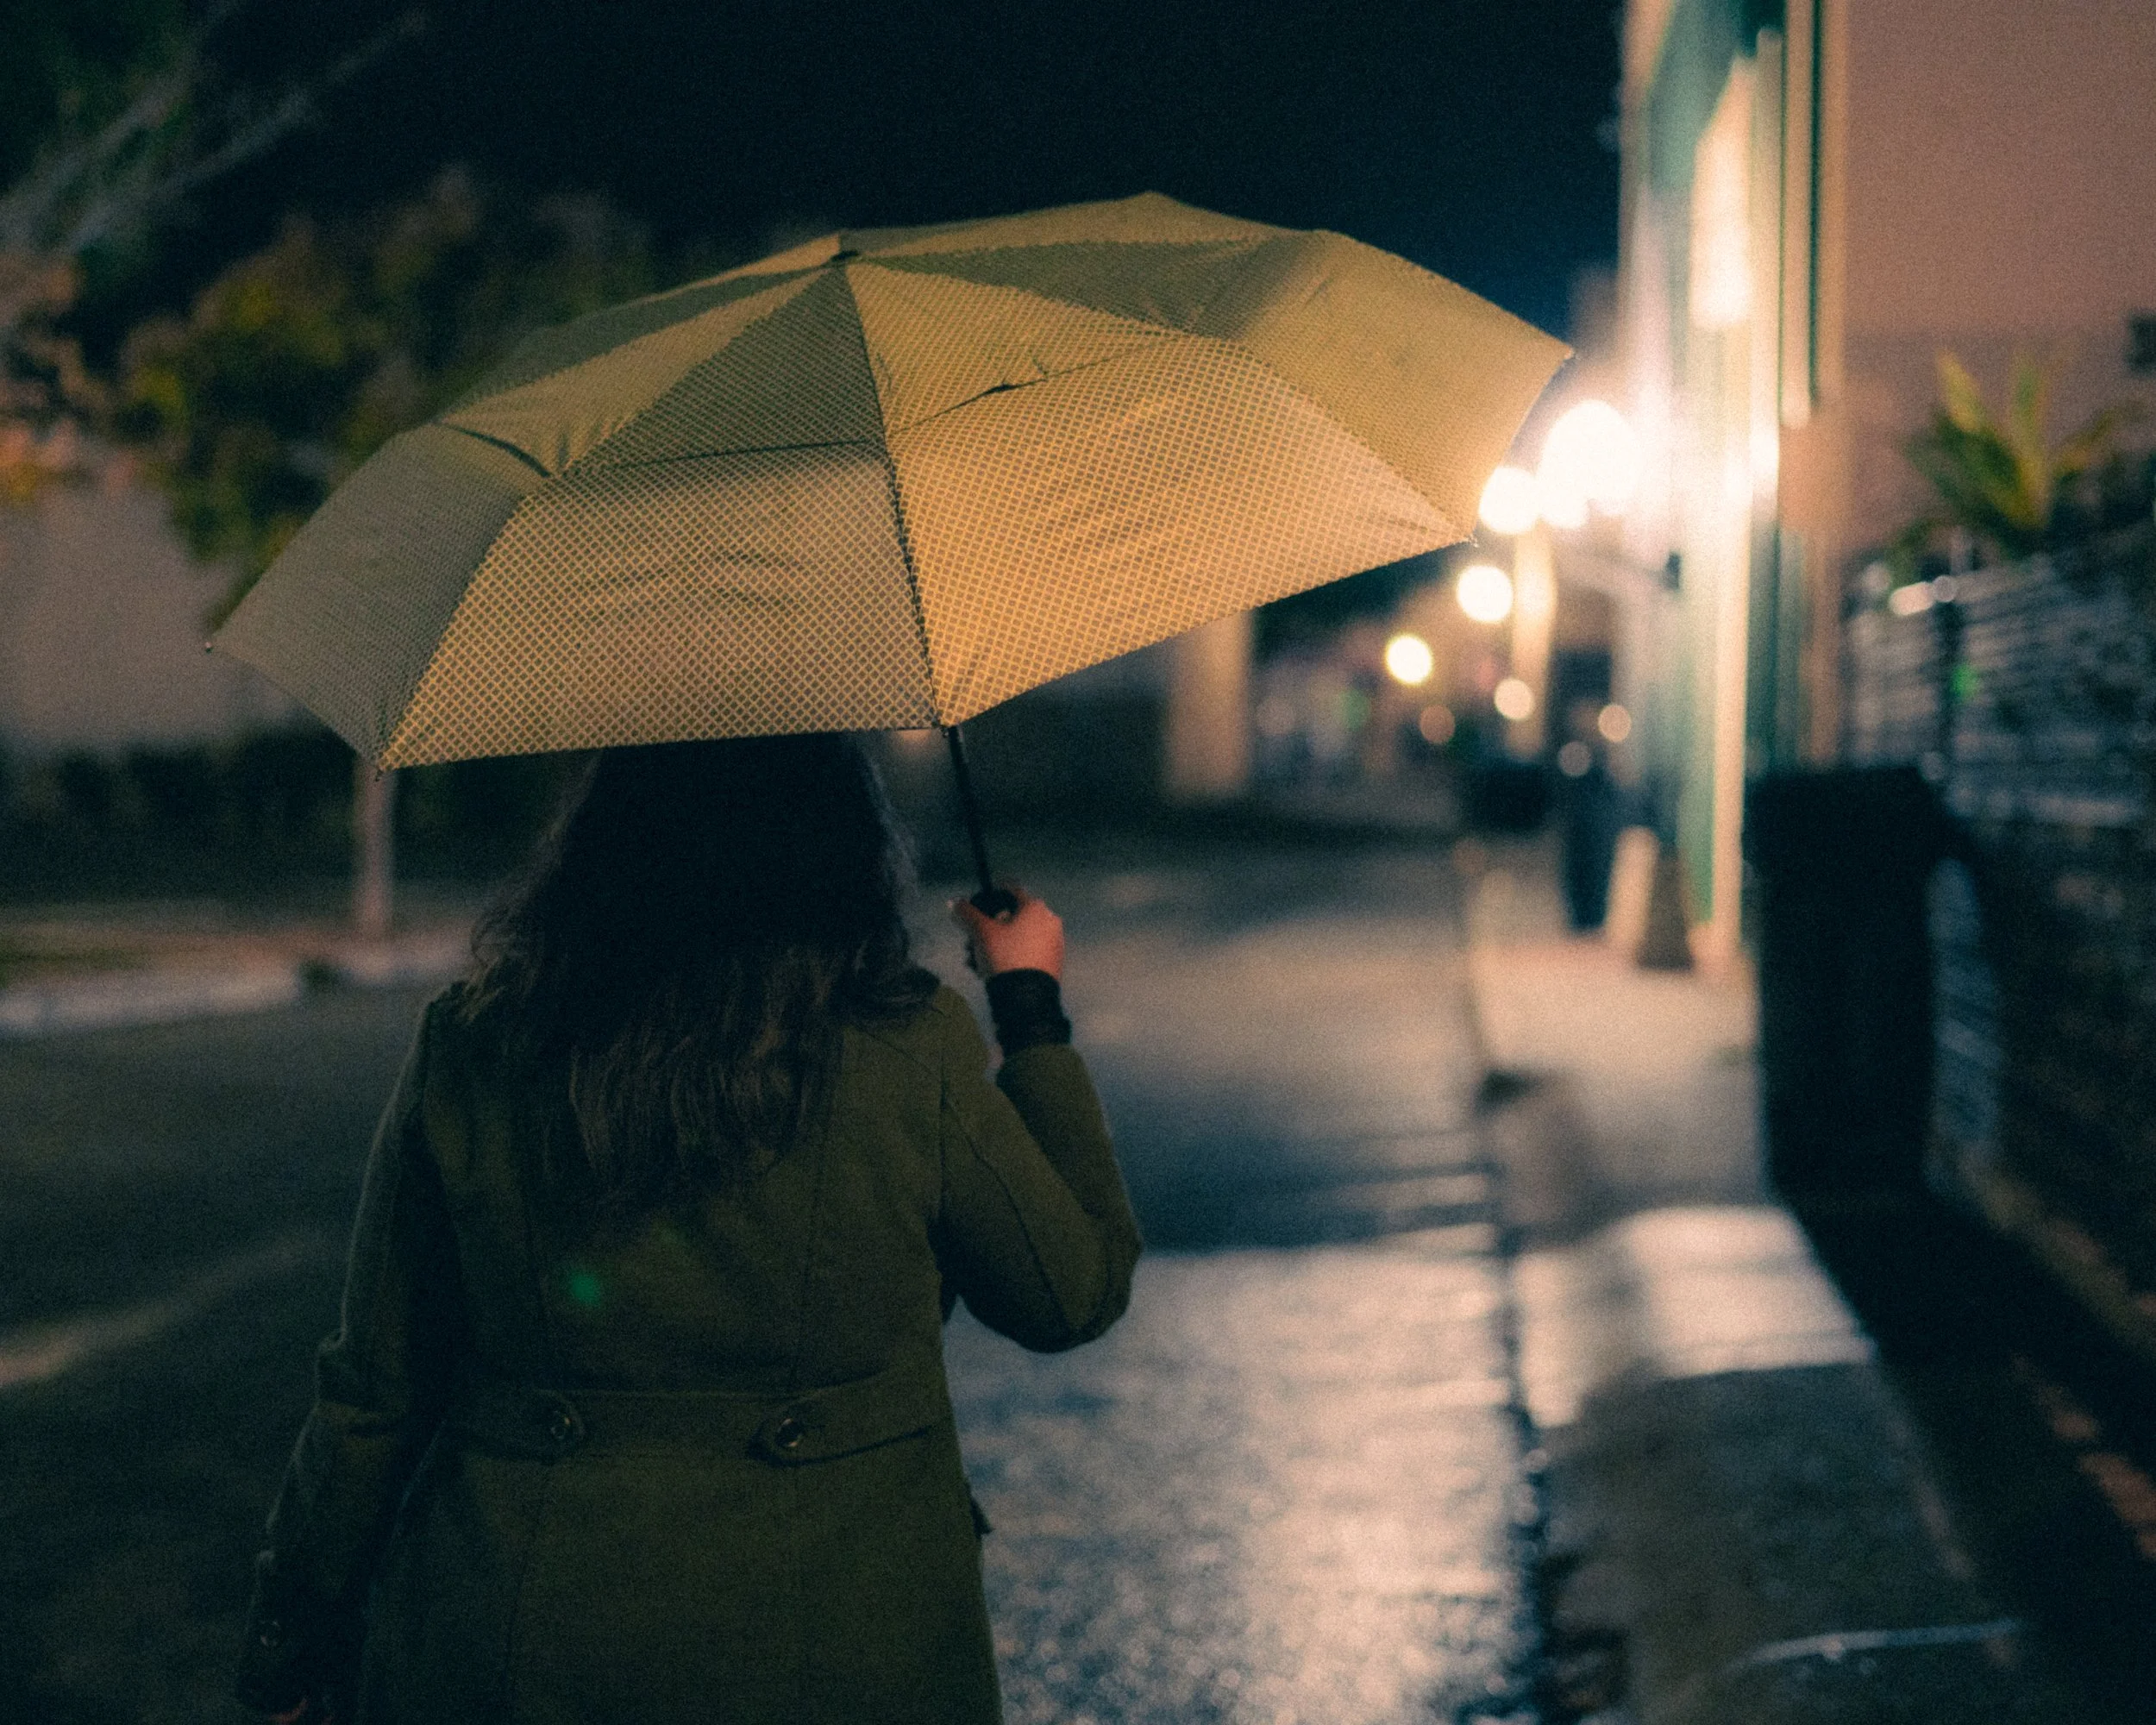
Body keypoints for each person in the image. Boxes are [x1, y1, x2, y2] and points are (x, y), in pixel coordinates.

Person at [235, 734, 1142, 1725]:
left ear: (599, 841)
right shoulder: (906, 1049)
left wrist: (292, 1640)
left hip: (516, 1640)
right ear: (842, 847)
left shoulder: (479, 1041)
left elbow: (375, 1387)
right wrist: (1029, 1007)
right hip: (850, 1638)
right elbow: (1069, 1292)